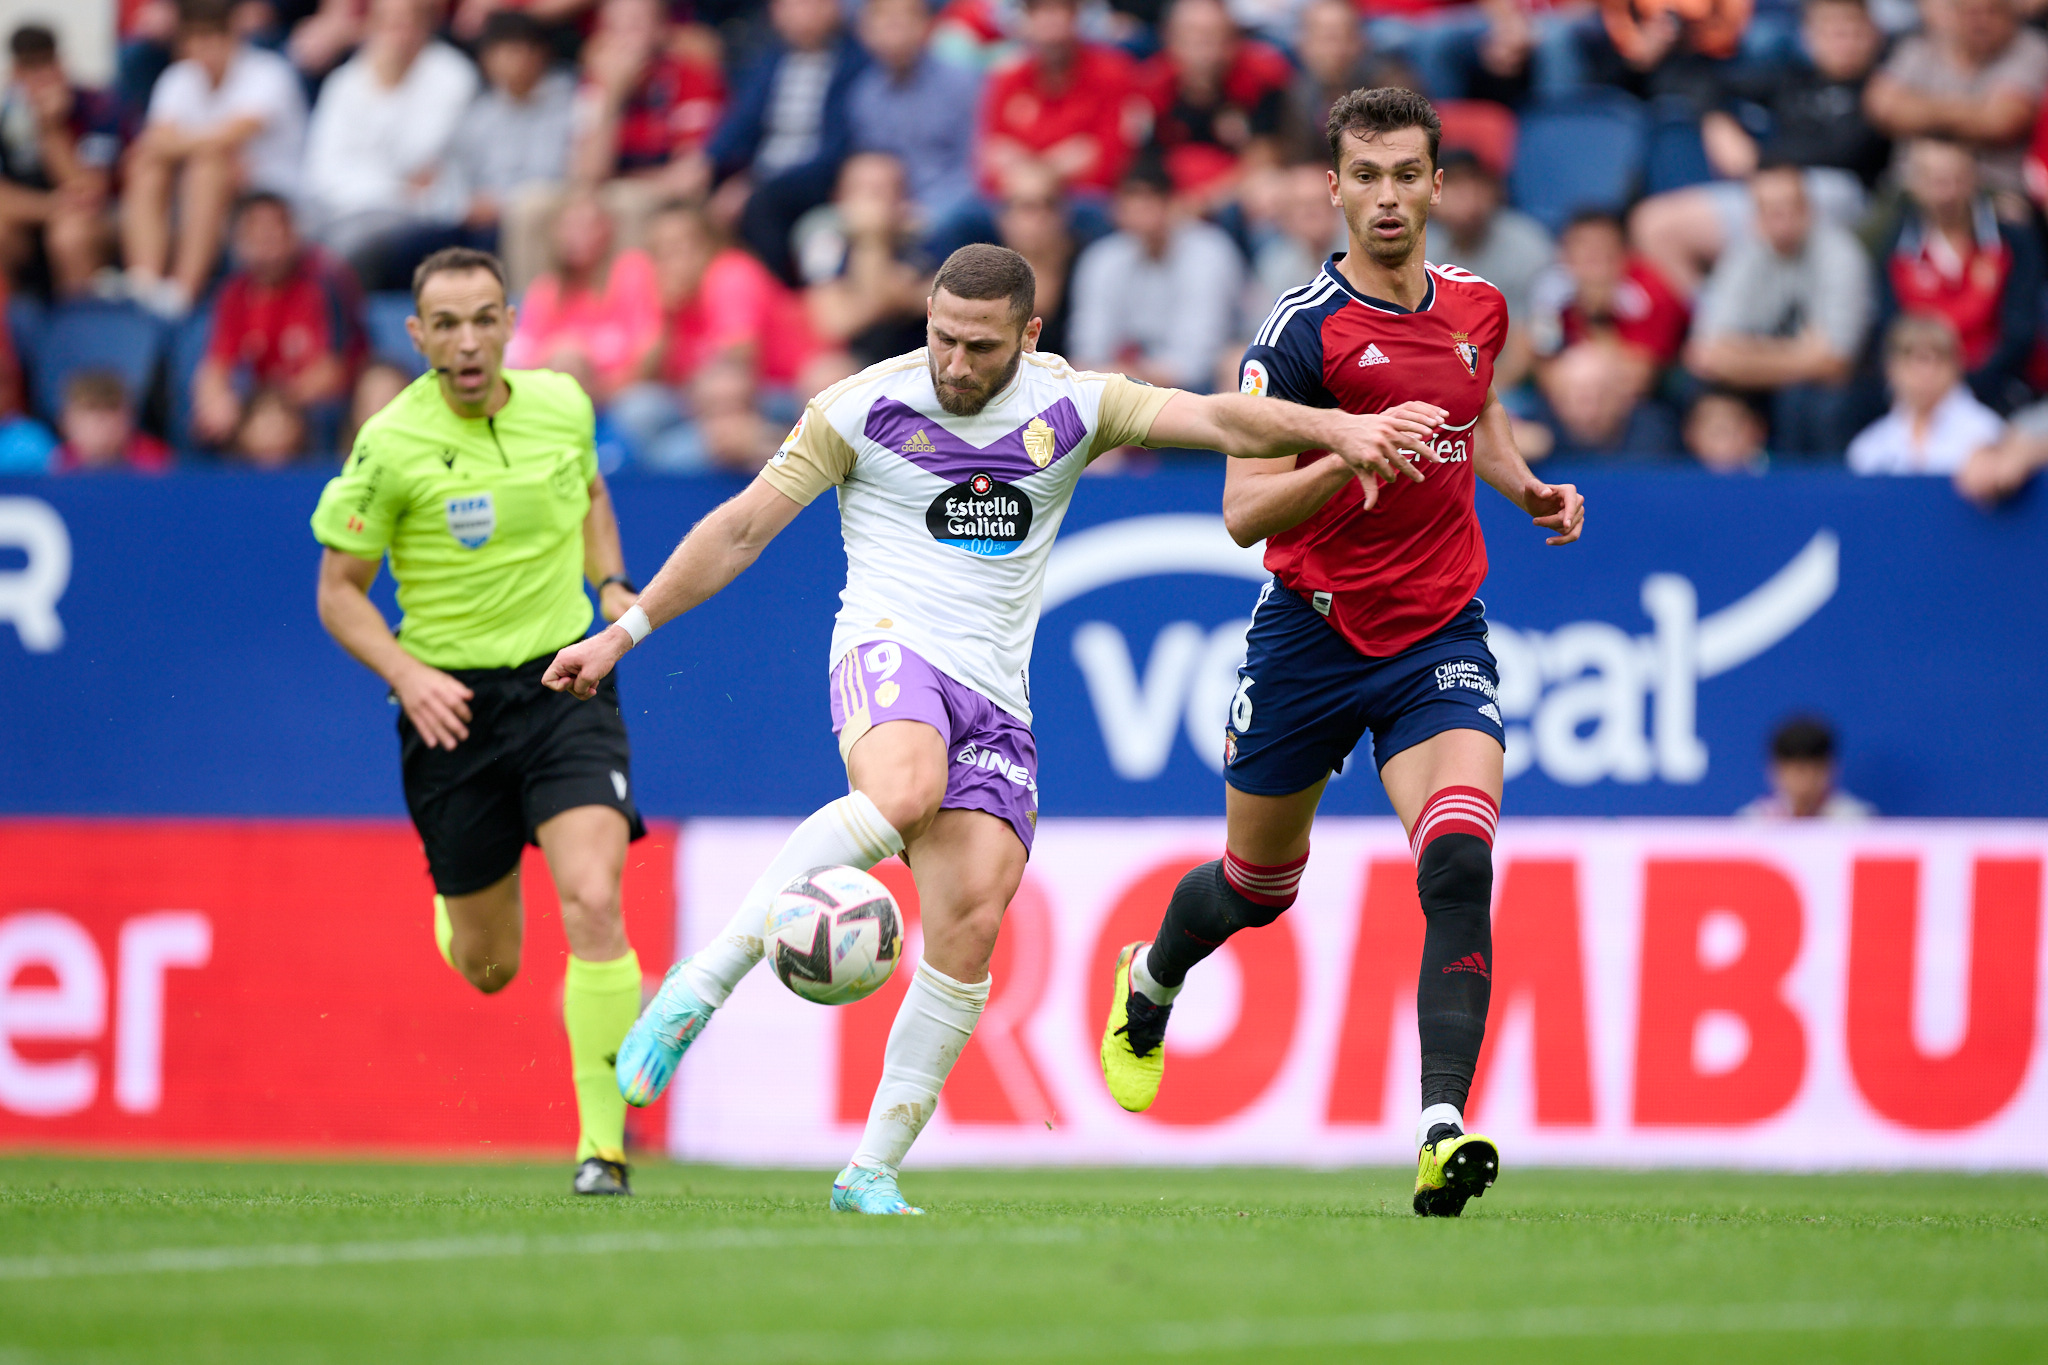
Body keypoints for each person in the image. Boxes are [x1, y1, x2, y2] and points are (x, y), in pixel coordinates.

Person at [540, 242, 1447, 1215]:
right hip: (890, 645)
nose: (955, 362)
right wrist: (621, 634)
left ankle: (870, 1170)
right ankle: (705, 982)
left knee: (971, 921)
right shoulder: (859, 408)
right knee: (902, 791)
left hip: (996, 696)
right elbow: (740, 529)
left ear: (1029, 334)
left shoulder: (1075, 405)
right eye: (942, 338)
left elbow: (1222, 418)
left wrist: (1336, 429)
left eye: (979, 346)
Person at [1094, 87, 1583, 1219]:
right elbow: (1241, 513)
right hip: (1309, 637)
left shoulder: (1478, 305)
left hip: (1437, 633)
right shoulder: (1298, 334)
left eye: (1406, 174)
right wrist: (1343, 454)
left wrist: (1522, 487)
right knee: (1257, 886)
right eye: (1365, 176)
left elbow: (1473, 407)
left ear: (1437, 186)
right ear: (1333, 189)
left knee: (1457, 861)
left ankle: (1439, 1128)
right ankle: (1150, 980)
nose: (1387, 197)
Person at [310, 247, 651, 1197]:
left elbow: (590, 494)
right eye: (447, 325)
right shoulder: (388, 443)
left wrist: (611, 583)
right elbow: (338, 593)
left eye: (483, 319)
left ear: (510, 323)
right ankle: (459, 897)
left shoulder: (563, 404)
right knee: (491, 964)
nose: (467, 342)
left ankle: (602, 1150)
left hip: (563, 682)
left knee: (594, 897)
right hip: (449, 708)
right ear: (417, 335)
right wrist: (407, 673)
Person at [1629, 0, 1890, 295]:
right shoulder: (1794, 79)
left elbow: (1847, 149)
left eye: (1854, 32)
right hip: (1771, 183)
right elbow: (1703, 81)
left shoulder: (1884, 88)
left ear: (1873, 34)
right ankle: (1713, 312)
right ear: (1809, 36)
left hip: (1842, 193)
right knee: (1654, 225)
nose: (1844, 42)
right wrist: (1716, 120)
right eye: (1833, 31)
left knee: (1777, 206)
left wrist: (1760, 161)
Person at [121, 0, 307, 317]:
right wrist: (175, 147)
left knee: (208, 167)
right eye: (193, 39)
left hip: (269, 190)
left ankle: (183, 292)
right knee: (148, 168)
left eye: (211, 38)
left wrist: (175, 145)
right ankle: (144, 282)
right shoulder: (178, 78)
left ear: (232, 36)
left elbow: (230, 136)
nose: (202, 49)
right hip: (201, 189)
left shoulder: (270, 73)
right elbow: (154, 143)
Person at [1683, 162, 1872, 456]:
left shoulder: (1841, 254)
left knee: (1808, 402)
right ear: (1755, 216)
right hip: (1778, 376)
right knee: (1702, 395)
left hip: (1838, 386)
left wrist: (1744, 355)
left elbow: (1837, 362)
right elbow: (1706, 354)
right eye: (1770, 210)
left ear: (1808, 209)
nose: (1781, 219)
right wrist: (1803, 355)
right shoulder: (1742, 255)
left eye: (1789, 207)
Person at [298, 0, 480, 273]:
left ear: (426, 25)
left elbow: (417, 157)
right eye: (388, 22)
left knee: (342, 251)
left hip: (421, 214)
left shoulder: (453, 75)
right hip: (342, 209)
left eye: (407, 22)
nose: (398, 32)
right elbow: (322, 171)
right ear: (371, 26)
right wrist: (395, 187)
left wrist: (389, 89)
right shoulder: (344, 81)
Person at [702, 0, 869, 284]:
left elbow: (839, 145)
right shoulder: (770, 60)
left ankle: (774, 295)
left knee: (763, 204)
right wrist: (706, 160)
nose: (802, 13)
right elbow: (742, 121)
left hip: (817, 176)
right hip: (761, 172)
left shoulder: (854, 61)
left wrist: (756, 182)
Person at [1873, 136, 2042, 414]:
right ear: (1912, 183)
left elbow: (2019, 333)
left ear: (1976, 178)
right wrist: (1920, 382)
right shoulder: (1894, 246)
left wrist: (1960, 386)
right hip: (1916, 391)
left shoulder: (2013, 241)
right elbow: (1891, 330)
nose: (1947, 193)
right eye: (1934, 180)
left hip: (1998, 389)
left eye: (1957, 179)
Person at [192, 192, 361, 454]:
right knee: (210, 423)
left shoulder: (326, 283)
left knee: (278, 424)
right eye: (255, 232)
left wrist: (270, 407)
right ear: (239, 241)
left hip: (313, 409)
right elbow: (216, 365)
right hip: (261, 408)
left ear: (293, 234)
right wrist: (214, 402)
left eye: (274, 229)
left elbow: (332, 373)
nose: (266, 239)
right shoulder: (234, 293)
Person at [1069, 157, 1245, 391]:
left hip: (1203, 384)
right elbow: (1088, 347)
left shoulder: (1210, 252)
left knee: (1235, 365)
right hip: (1122, 381)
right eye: (1133, 203)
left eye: (1150, 202)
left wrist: (1136, 378)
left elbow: (1200, 353)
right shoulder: (1102, 258)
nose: (1142, 215)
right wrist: (1114, 374)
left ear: (1173, 204)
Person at [1863, 0, 2048, 198]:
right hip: (1909, 188)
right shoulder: (1920, 47)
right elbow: (1882, 108)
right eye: (1972, 13)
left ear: (2011, 15)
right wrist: (1974, 113)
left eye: (1992, 12)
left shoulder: (2031, 50)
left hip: (1994, 191)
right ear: (1954, 14)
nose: (1981, 22)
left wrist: (1916, 109)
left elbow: (2001, 122)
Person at [0, 24, 124, 300]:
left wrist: (51, 129)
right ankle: (11, 321)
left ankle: (78, 321)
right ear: (16, 73)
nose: (40, 77)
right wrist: (52, 206)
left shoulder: (96, 106)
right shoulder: (7, 115)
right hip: (39, 215)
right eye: (29, 68)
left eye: (46, 64)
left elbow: (90, 192)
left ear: (61, 64)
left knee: (69, 234)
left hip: (100, 221)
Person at [977, 0, 1146, 201]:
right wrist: (1054, 168)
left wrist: (1030, 169)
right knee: (967, 215)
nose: (1051, 23)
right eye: (1040, 11)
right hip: (1014, 198)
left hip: (1083, 199)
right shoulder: (1007, 78)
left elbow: (1110, 162)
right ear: (1026, 20)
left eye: (1060, 10)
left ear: (1076, 16)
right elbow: (990, 166)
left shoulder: (1113, 73)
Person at [505, 193, 661, 406]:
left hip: (620, 396)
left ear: (608, 229)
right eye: (570, 226)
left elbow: (650, 347)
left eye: (589, 225)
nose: (579, 235)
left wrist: (603, 390)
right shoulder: (546, 290)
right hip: (559, 398)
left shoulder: (632, 271)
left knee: (642, 407)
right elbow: (527, 359)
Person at [848, 0, 982, 237]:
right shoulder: (865, 92)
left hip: (953, 205)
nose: (894, 35)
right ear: (865, 32)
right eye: (885, 25)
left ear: (926, 26)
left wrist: (930, 211)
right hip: (890, 206)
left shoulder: (961, 83)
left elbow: (976, 166)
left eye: (902, 23)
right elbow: (873, 164)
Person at [1423, 148, 1552, 386]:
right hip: (1435, 383)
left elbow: (1531, 344)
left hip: (1510, 385)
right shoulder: (1417, 248)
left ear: (1493, 190)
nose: (1468, 196)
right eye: (1455, 186)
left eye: (1475, 182)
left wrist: (1477, 397)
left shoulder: (1527, 246)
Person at [1847, 312, 2005, 473]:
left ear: (1957, 366)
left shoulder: (1989, 433)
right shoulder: (1869, 447)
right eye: (1912, 361)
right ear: (1891, 369)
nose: (1925, 373)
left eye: (1938, 360)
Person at [1738, 715, 1875, 818]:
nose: (1806, 782)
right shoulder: (1753, 822)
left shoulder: (1856, 820)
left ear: (1831, 768)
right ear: (1774, 769)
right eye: (1799, 771)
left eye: (1816, 771)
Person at [53, 370, 173, 473]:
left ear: (130, 417)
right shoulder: (59, 462)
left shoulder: (154, 460)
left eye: (111, 410)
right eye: (91, 410)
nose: (102, 426)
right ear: (66, 422)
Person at [1683, 389, 1769, 470]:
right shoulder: (1681, 472)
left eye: (1736, 430)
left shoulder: (1766, 469)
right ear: (1690, 435)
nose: (1728, 440)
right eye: (1718, 431)